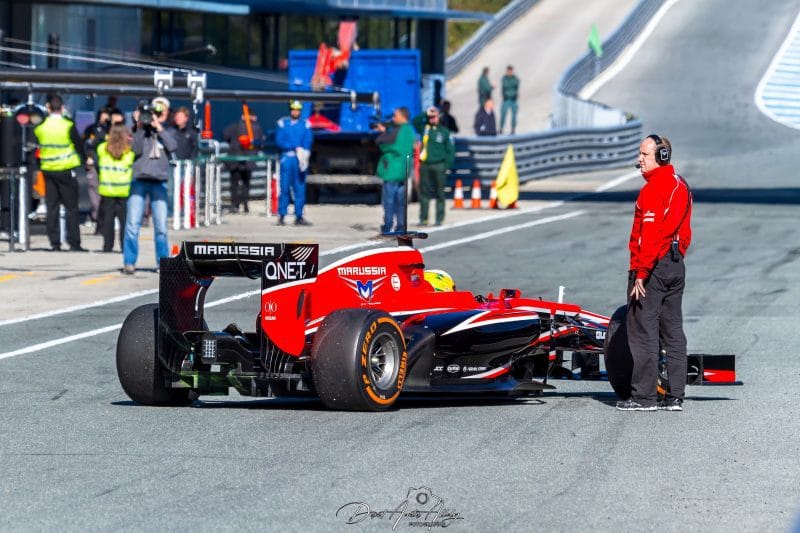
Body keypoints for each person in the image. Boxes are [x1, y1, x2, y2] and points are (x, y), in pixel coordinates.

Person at [617, 134, 692, 412]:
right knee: (673, 331)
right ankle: (675, 397)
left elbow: (648, 236)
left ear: (661, 158)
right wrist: (675, 255)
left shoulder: (653, 190)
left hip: (652, 268)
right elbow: (684, 234)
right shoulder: (681, 185)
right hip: (675, 264)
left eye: (644, 155)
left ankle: (644, 397)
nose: (639, 159)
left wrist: (640, 272)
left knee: (642, 331)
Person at [122, 100, 177, 275]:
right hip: (139, 180)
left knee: (161, 226)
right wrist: (139, 126)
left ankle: (163, 263)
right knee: (132, 224)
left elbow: (174, 146)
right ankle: (129, 262)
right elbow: (136, 150)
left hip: (159, 181)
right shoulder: (137, 131)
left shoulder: (164, 131)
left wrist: (158, 127)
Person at [33, 94, 86, 252]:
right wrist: (83, 160)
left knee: (52, 207)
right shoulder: (67, 125)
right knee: (71, 208)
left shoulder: (41, 127)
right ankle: (74, 243)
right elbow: (78, 145)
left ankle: (55, 243)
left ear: (48, 108)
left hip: (48, 170)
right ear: (62, 108)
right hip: (66, 169)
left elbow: (37, 147)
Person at [412, 106, 455, 227]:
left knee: (440, 193)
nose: (432, 119)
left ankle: (439, 219)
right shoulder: (425, 129)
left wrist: (446, 165)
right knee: (424, 193)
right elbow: (414, 122)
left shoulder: (445, 132)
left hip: (439, 165)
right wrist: (426, 113)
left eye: (434, 116)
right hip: (425, 165)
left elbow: (450, 151)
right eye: (430, 117)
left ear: (439, 117)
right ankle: (423, 218)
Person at [375, 107, 415, 235]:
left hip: (392, 171)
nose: (393, 118)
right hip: (404, 171)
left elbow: (382, 142)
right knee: (401, 202)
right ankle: (401, 226)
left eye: (395, 116)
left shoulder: (396, 131)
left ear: (403, 117)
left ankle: (387, 226)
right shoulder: (409, 131)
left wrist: (383, 132)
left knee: (389, 201)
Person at [275, 100, 314, 226]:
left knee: (300, 188)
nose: (295, 112)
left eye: (297, 110)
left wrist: (305, 154)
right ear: (290, 110)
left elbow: (308, 140)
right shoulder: (283, 123)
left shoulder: (305, 124)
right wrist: (294, 146)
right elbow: (279, 141)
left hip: (299, 159)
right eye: (293, 109)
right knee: (284, 188)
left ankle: (299, 216)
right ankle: (281, 215)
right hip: (287, 158)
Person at [96, 124, 134, 253]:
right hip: (124, 191)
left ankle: (107, 246)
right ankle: (124, 246)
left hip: (107, 190)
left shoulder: (103, 149)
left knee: (108, 220)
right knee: (124, 221)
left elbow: (95, 144)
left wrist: (108, 137)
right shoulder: (129, 152)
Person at [222, 109, 265, 214]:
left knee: (234, 183)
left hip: (234, 159)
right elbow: (260, 144)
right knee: (246, 183)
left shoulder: (233, 127)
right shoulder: (257, 129)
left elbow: (225, 136)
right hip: (248, 159)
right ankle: (245, 204)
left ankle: (235, 204)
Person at [82, 106, 112, 232]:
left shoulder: (113, 130)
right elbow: (86, 144)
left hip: (108, 166)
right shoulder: (91, 129)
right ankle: (96, 219)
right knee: (94, 195)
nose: (105, 117)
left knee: (106, 195)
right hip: (94, 164)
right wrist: (87, 158)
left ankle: (104, 222)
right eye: (103, 114)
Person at [500, 65, 520, 134]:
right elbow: (505, 86)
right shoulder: (504, 78)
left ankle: (513, 129)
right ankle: (501, 128)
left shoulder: (515, 78)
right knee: (503, 114)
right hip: (506, 99)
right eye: (508, 71)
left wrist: (513, 93)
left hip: (513, 99)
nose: (509, 72)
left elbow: (516, 85)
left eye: (510, 71)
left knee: (514, 115)